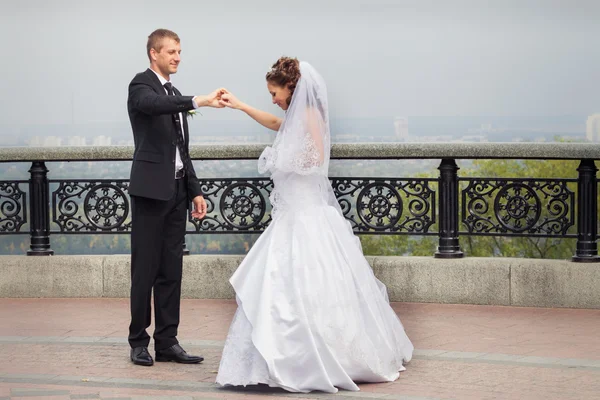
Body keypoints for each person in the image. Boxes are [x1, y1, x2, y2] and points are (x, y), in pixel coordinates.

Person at [215, 57, 413, 393]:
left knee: (305, 282)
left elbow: (315, 160)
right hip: (292, 214)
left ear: (291, 88)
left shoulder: (311, 116)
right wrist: (239, 106)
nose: (273, 99)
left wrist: (279, 159)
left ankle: (316, 359)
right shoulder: (296, 116)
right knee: (279, 286)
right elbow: (278, 125)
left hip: (306, 215)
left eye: (274, 92)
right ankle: (275, 362)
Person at [126, 28, 224, 366]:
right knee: (145, 271)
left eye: (180, 51)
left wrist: (195, 190)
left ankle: (167, 342)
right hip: (150, 193)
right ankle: (138, 341)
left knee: (171, 271)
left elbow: (182, 149)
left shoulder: (175, 93)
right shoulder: (141, 86)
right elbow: (153, 106)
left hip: (177, 193)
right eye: (171, 51)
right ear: (154, 53)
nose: (177, 57)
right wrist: (198, 100)